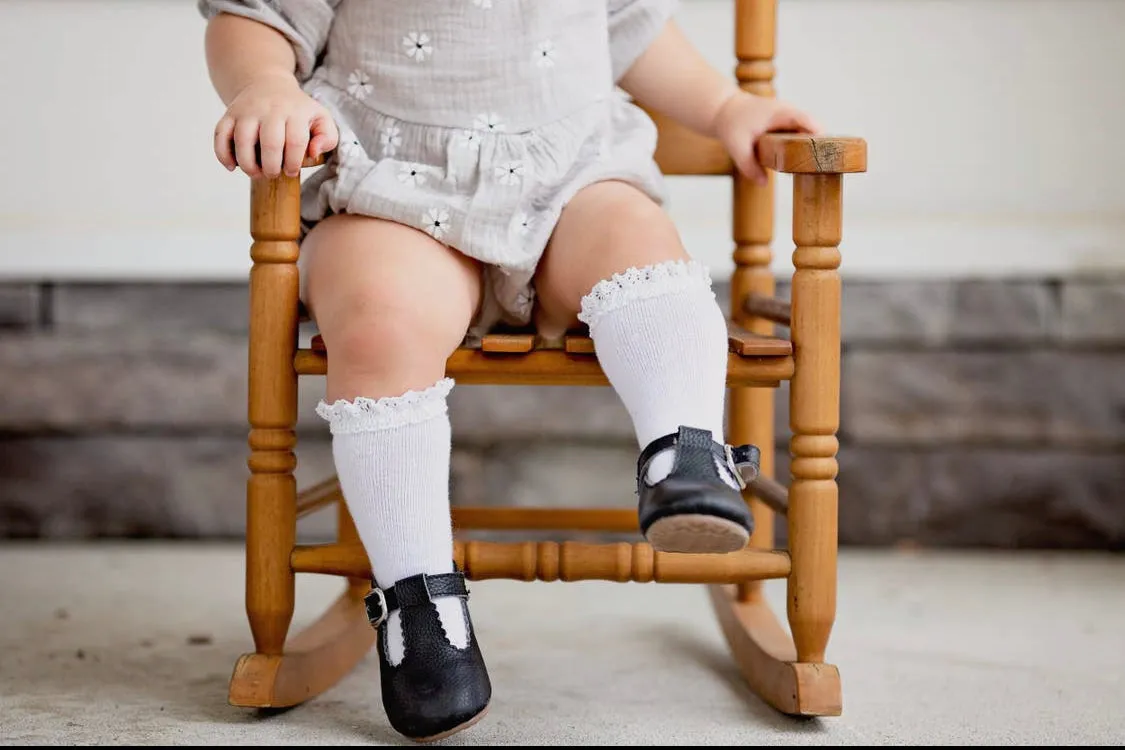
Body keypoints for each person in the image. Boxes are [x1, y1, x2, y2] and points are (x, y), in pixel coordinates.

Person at [198, 0, 820, 741]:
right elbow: (256, 14)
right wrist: (264, 83)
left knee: (639, 245)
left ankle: (683, 452)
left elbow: (632, 28)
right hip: (391, 188)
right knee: (376, 316)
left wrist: (725, 106)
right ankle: (422, 606)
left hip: (571, 180)